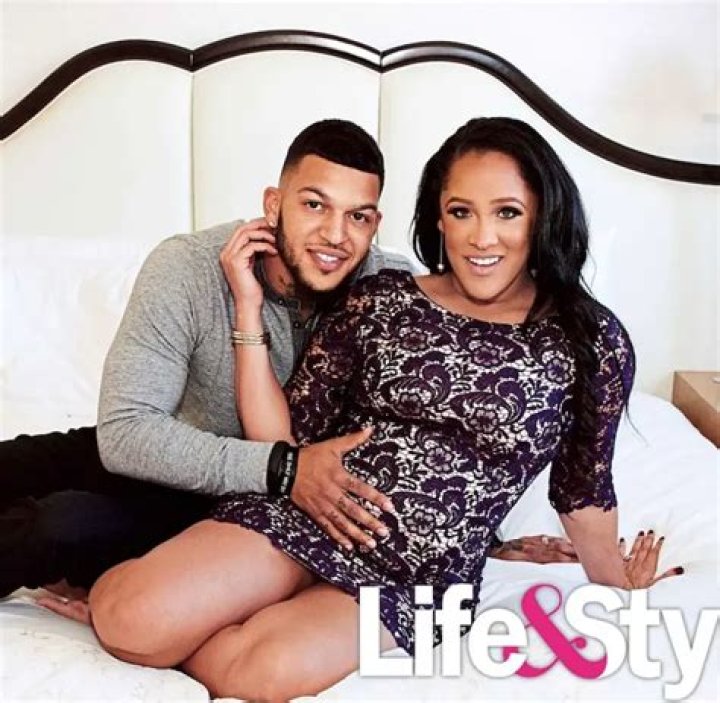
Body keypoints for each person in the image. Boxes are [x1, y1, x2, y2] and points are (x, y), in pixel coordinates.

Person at [77, 117, 681, 701]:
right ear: (437, 218)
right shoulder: (382, 297)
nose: (481, 238)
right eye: (461, 212)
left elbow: (582, 490)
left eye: (507, 212)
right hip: (308, 515)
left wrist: (616, 586)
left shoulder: (588, 341)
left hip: (420, 573)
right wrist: (248, 311)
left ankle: (192, 632)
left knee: (260, 673)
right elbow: (287, 437)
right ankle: (133, 607)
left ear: (543, 217)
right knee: (132, 618)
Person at [0, 119, 567, 601]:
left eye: (358, 216)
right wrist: (285, 468)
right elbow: (127, 436)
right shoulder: (188, 266)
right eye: (314, 205)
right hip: (175, 453)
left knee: (55, 524)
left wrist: (482, 539)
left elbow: (439, 428)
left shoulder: (392, 291)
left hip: (224, 506)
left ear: (376, 224)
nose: (335, 235)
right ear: (273, 204)